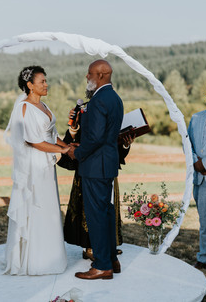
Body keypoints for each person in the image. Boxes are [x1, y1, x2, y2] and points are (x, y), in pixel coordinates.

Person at [0, 66, 69, 275]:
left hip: (48, 164)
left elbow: (50, 134)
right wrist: (62, 150)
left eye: (46, 81)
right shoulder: (24, 108)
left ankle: (51, 256)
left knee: (49, 207)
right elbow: (34, 140)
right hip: (35, 165)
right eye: (42, 81)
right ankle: (35, 260)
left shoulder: (44, 105)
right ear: (30, 85)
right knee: (37, 206)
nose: (46, 84)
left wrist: (68, 146)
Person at [68, 59, 123, 280]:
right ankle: (112, 259)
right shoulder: (115, 98)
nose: (87, 77)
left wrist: (76, 153)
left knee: (96, 216)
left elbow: (97, 136)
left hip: (95, 166)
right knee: (106, 213)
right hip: (106, 163)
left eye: (89, 73)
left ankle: (102, 266)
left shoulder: (99, 99)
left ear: (101, 75)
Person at [60, 108, 133, 260]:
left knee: (107, 209)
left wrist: (125, 144)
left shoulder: (109, 111)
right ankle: (90, 247)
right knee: (88, 210)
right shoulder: (82, 111)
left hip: (107, 169)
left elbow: (114, 147)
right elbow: (70, 143)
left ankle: (107, 246)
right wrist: (73, 129)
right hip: (87, 170)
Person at [188, 85, 206, 270]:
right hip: (201, 181)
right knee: (204, 222)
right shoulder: (196, 118)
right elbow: (186, 142)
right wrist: (195, 160)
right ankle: (204, 257)